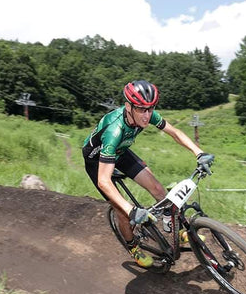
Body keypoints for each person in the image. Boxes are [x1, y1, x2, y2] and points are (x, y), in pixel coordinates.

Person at [82, 80, 214, 268]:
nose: (147, 116)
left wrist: (199, 153)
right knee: (122, 212)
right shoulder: (114, 131)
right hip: (98, 161)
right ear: (128, 106)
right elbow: (103, 181)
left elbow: (174, 132)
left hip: (121, 152)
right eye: (142, 110)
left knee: (159, 190)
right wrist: (131, 210)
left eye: (150, 109)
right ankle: (133, 247)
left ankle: (177, 234)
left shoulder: (145, 113)